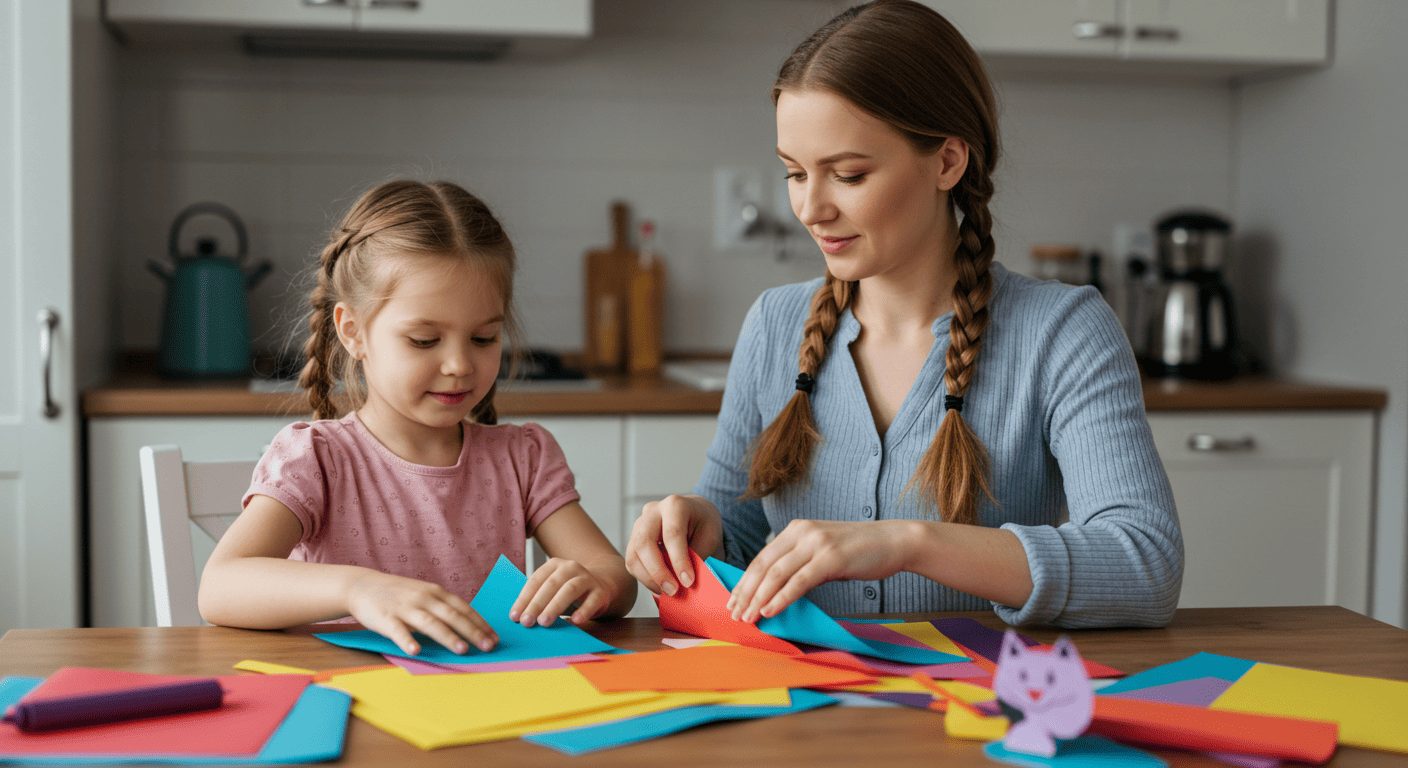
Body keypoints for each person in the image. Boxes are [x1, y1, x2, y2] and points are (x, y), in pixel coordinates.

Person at [625, 0, 1182, 628]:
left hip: (981, 712)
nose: (810, 208)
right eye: (794, 173)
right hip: (808, 710)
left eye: (849, 175)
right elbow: (750, 543)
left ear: (948, 161)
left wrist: (909, 544)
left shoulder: (1062, 332)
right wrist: (702, 530)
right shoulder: (775, 323)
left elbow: (1145, 566)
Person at [200, 180, 636, 655]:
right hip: (353, 699)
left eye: (484, 338)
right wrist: (358, 590)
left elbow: (616, 578)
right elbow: (221, 585)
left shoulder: (523, 458)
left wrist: (594, 582)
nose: (459, 365)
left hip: (486, 704)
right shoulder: (318, 459)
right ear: (353, 332)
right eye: (425, 341)